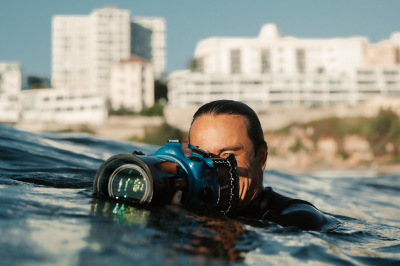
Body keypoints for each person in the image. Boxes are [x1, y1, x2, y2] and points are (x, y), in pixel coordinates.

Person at [171, 100, 328, 230]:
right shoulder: (185, 204)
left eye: (227, 156)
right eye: (202, 155)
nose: (215, 170)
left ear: (261, 158)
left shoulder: (298, 219)